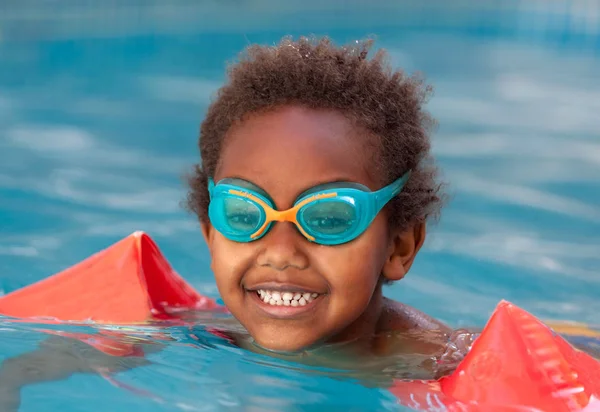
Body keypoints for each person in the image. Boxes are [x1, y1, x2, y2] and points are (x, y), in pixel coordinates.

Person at [184, 35, 452, 357]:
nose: (281, 253)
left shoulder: (442, 369)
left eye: (328, 219)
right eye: (243, 215)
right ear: (210, 235)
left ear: (399, 247)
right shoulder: (180, 334)